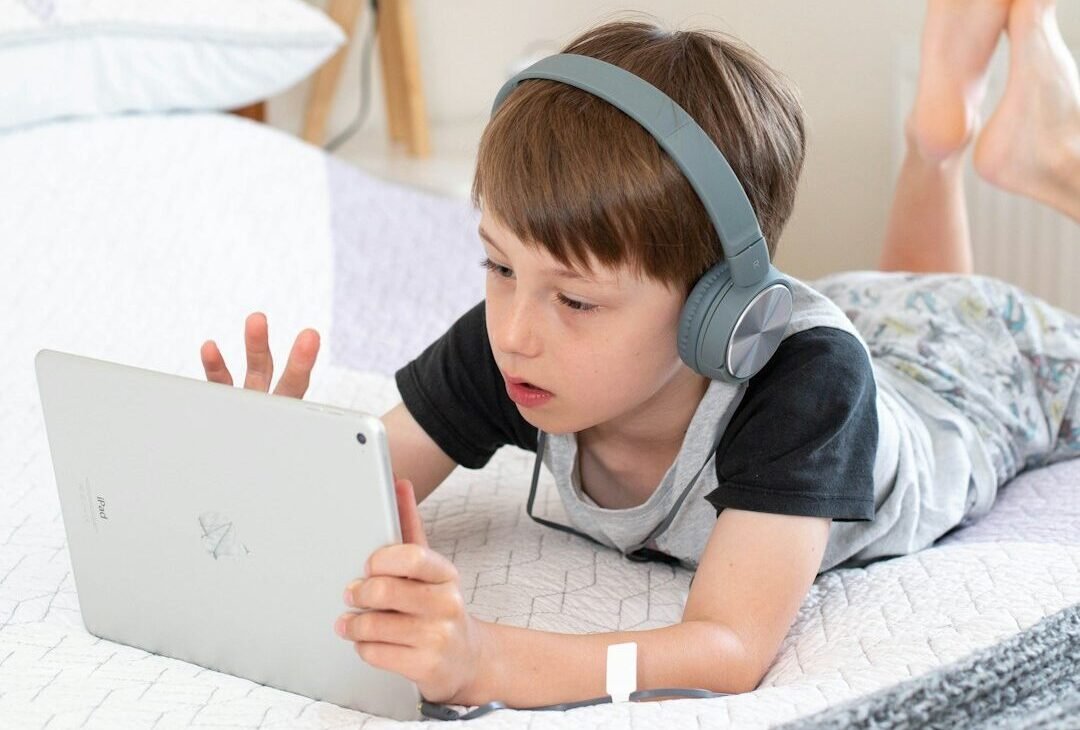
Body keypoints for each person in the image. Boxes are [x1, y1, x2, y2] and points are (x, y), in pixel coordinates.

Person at [199, 0, 1080, 712]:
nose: (515, 328)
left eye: (576, 298)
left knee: (944, 319)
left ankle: (1053, 159)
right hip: (874, 311)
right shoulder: (515, 347)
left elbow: (728, 648)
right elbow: (350, 493)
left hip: (978, 373)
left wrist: (486, 661)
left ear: (718, 315)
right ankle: (936, 142)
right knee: (900, 297)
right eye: (498, 265)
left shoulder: (807, 388)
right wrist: (279, 474)